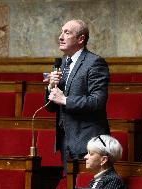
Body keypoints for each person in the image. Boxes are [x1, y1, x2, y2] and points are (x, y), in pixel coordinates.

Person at [44, 20, 110, 169]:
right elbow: (50, 108)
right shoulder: (61, 63)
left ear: (81, 39)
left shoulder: (95, 63)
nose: (61, 37)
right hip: (65, 141)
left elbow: (97, 101)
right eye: (61, 32)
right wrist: (50, 88)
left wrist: (65, 100)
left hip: (88, 142)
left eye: (67, 33)